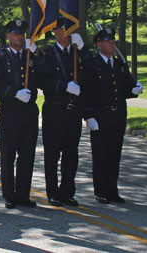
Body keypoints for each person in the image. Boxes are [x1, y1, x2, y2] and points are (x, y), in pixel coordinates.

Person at [38, 17, 94, 206]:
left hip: (74, 111)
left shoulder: (78, 53)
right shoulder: (47, 53)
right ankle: (52, 192)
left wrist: (84, 49)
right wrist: (63, 86)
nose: (68, 34)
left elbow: (93, 72)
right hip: (54, 109)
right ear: (56, 32)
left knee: (71, 153)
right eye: (64, 30)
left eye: (70, 30)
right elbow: (41, 80)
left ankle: (67, 191)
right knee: (52, 154)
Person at [86, 28, 142, 204]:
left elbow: (123, 89)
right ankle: (101, 191)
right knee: (100, 154)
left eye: (113, 41)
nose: (112, 44)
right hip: (100, 115)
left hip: (117, 114)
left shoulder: (119, 64)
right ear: (99, 44)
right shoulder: (92, 64)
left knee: (114, 155)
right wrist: (88, 116)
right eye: (108, 42)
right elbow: (88, 92)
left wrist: (134, 91)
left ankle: (112, 190)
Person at [0, 19, 41, 209]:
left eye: (22, 33)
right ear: (8, 36)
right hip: (10, 111)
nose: (20, 36)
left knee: (27, 154)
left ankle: (23, 194)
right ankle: (9, 194)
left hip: (29, 112)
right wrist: (14, 92)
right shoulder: (1, 57)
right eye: (16, 33)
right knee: (8, 154)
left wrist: (37, 52)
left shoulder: (31, 56)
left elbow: (45, 73)